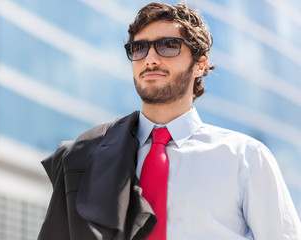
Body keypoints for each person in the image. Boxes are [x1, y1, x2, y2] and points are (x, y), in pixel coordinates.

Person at [38, 2, 301, 240]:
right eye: (139, 48)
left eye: (168, 46)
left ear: (200, 64)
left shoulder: (246, 158)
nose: (150, 58)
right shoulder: (88, 157)